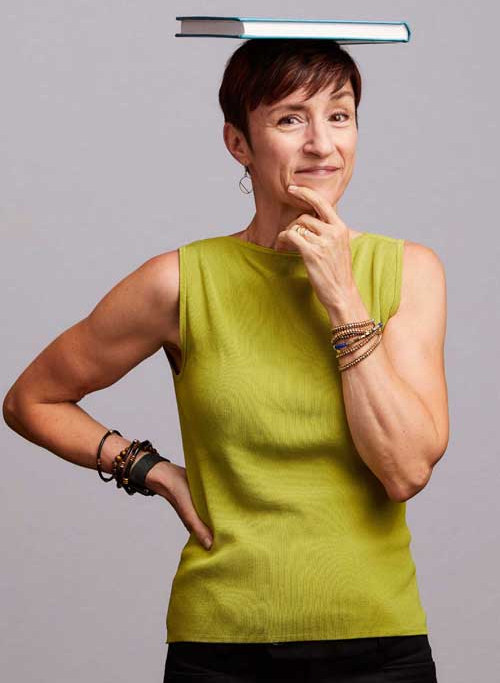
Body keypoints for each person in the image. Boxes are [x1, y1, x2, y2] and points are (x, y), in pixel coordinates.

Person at [2, 38, 448, 682]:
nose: (322, 143)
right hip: (221, 647)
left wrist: (343, 298)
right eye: (291, 118)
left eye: (340, 115)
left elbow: (405, 470)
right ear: (239, 142)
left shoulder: (408, 270)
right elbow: (30, 400)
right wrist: (147, 468)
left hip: (379, 644)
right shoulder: (181, 282)